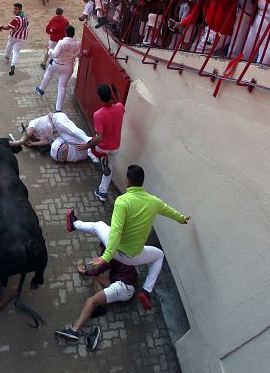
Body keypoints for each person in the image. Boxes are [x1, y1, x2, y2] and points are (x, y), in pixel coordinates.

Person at [65, 165, 191, 310]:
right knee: (159, 255)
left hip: (116, 252)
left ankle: (73, 224)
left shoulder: (122, 201)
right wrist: (182, 219)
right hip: (134, 257)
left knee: (98, 225)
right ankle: (146, 291)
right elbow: (169, 211)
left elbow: (116, 231)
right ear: (142, 182)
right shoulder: (155, 202)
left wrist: (106, 257)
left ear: (127, 181)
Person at [53, 259, 138, 350]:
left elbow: (96, 271)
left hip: (122, 288)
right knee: (97, 279)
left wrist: (82, 271)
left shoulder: (112, 257)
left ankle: (74, 331)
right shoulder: (121, 255)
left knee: (91, 301)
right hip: (123, 283)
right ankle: (102, 307)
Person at [77, 85, 124, 202]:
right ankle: (102, 193)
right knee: (110, 167)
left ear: (99, 98)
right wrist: (114, 92)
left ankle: (99, 159)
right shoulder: (120, 108)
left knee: (90, 149)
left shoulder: (98, 114)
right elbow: (118, 102)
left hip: (102, 147)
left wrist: (86, 146)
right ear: (111, 95)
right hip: (115, 146)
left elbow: (99, 138)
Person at [36, 25, 81, 112]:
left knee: (48, 74)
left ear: (65, 33)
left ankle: (41, 90)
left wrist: (49, 49)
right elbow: (79, 55)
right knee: (62, 87)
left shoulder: (61, 42)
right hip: (68, 67)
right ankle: (58, 108)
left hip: (56, 64)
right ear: (73, 34)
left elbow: (54, 55)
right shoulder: (78, 44)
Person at [0, 2, 28, 76]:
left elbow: (8, 27)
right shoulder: (25, 15)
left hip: (14, 36)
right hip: (23, 37)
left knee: (9, 45)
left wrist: (1, 27)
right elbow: (27, 24)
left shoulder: (17, 18)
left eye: (16, 9)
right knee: (15, 51)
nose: (14, 11)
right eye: (14, 9)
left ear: (20, 9)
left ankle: (7, 57)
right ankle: (13, 65)